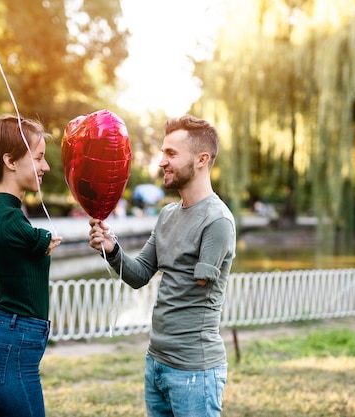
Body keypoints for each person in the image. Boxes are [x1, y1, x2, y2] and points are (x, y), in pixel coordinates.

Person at [89, 115, 236, 417]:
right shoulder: (167, 215)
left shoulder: (217, 220)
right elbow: (140, 274)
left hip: (194, 369)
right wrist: (111, 248)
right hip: (156, 360)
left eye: (171, 153)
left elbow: (196, 288)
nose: (161, 162)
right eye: (163, 152)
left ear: (201, 159)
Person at [0, 114, 63, 417]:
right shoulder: (6, 216)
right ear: (10, 161)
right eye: (38, 158)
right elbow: (40, 239)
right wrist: (45, 238)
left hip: (8, 348)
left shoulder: (6, 210)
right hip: (10, 352)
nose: (45, 167)